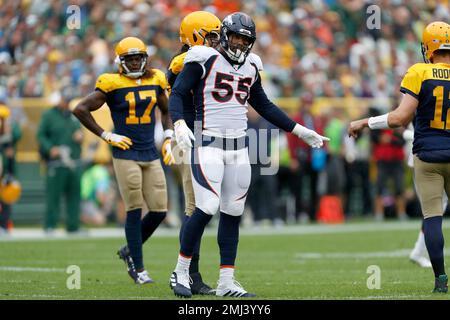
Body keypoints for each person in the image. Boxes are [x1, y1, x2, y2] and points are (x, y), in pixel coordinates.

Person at [169, 12, 329, 298]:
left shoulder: (251, 66)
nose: (240, 44)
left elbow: (264, 105)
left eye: (246, 40)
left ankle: (226, 282)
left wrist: (300, 131)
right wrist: (178, 123)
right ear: (224, 34)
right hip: (208, 144)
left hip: (240, 147)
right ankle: (180, 271)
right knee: (206, 207)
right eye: (236, 37)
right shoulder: (203, 57)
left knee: (233, 212)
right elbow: (178, 93)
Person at [348, 21, 450, 293]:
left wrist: (364, 122)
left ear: (428, 46)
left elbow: (399, 118)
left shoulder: (419, 71)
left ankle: (441, 280)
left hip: (428, 156)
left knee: (432, 218)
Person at [73, 37, 173, 285]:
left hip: (150, 151)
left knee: (160, 210)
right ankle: (138, 268)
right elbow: (80, 109)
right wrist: (106, 134)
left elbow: (166, 109)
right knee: (134, 207)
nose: (135, 62)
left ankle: (129, 249)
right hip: (125, 151)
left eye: (139, 57)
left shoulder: (156, 78)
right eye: (130, 58)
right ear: (121, 61)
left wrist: (169, 136)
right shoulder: (111, 82)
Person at [166, 11, 221, 295]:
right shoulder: (184, 62)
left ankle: (190, 273)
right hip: (188, 137)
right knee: (194, 207)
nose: (216, 41)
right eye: (211, 35)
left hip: (201, 136)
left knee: (201, 207)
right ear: (196, 35)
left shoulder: (199, 59)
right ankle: (187, 274)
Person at [37, 88, 83, 234]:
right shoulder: (49, 115)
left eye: (69, 100)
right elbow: (40, 136)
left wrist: (80, 136)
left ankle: (73, 226)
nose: (67, 103)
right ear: (59, 99)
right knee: (53, 196)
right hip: (56, 163)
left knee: (74, 196)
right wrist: (50, 148)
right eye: (65, 99)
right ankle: (50, 225)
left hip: (73, 162)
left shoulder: (74, 116)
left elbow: (80, 134)